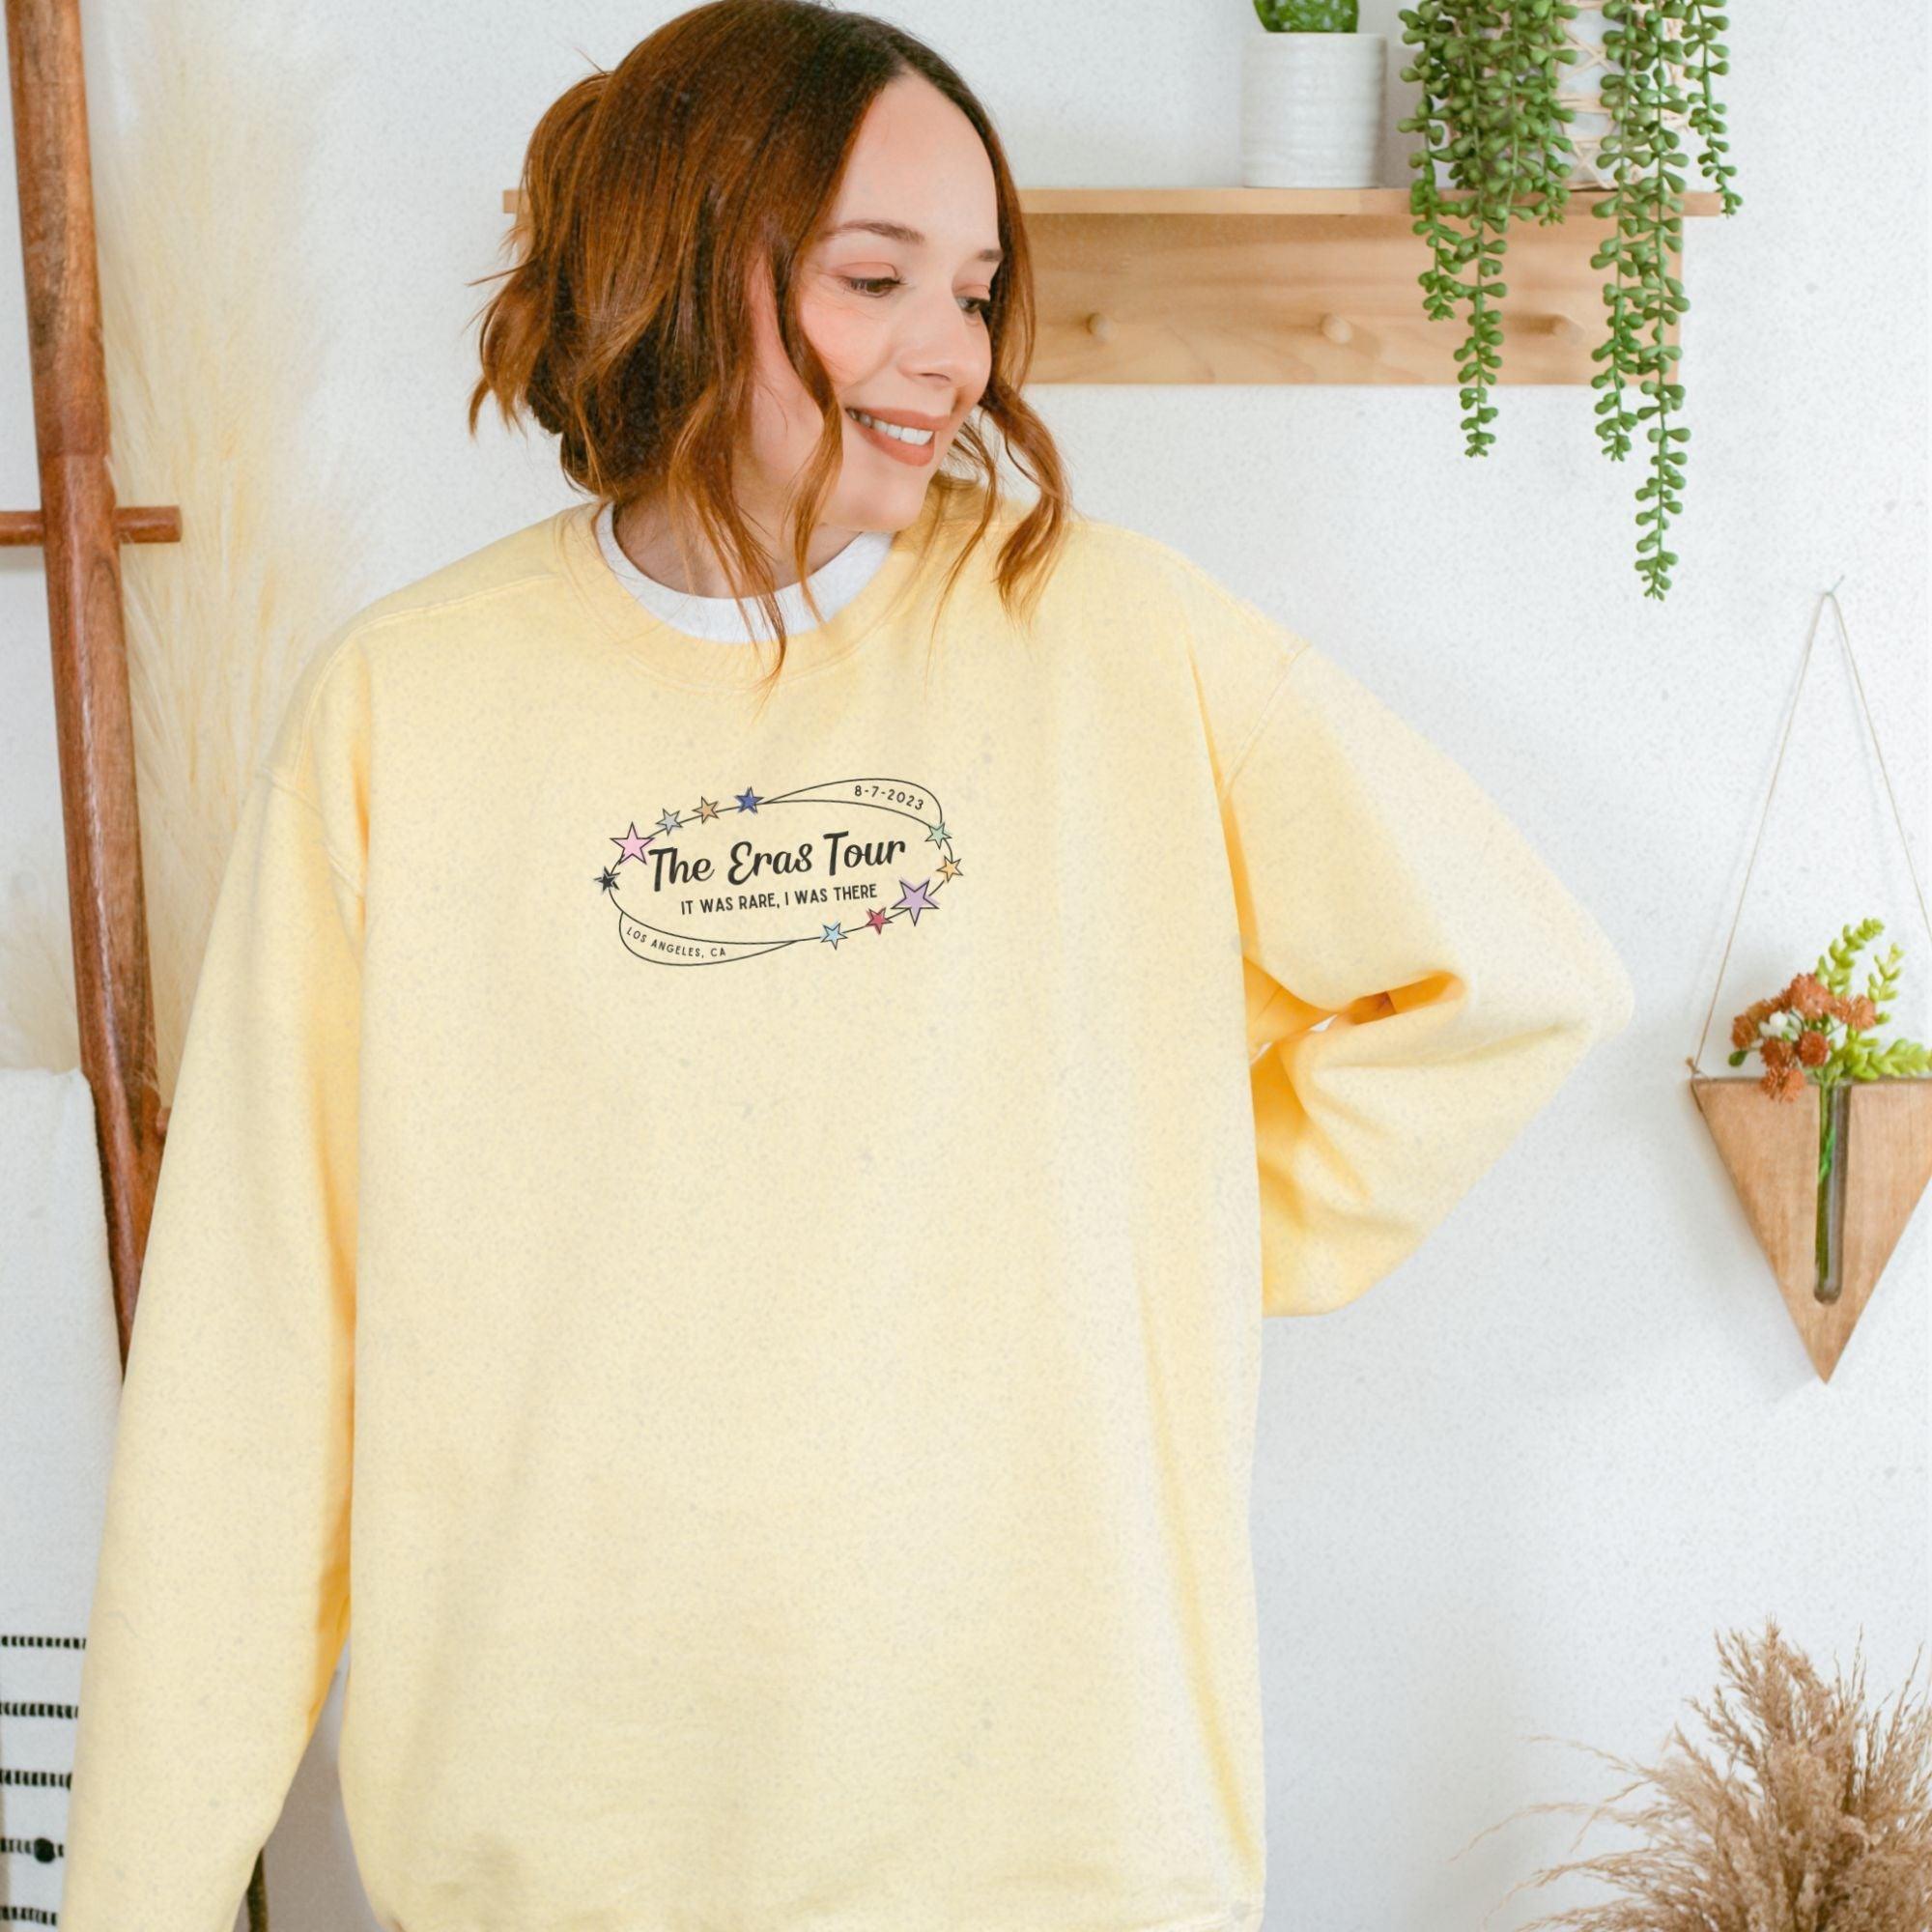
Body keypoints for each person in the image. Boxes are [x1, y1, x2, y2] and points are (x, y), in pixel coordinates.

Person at [60, 4, 1634, 1929]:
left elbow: (1506, 979)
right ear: (668, 259)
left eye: (973, 290)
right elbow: (257, 1345)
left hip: (1051, 1828)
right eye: (873, 275)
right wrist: (137, 1891)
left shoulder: (1115, 640)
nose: (946, 352)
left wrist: (1164, 1226)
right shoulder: (405, 707)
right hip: (554, 1841)